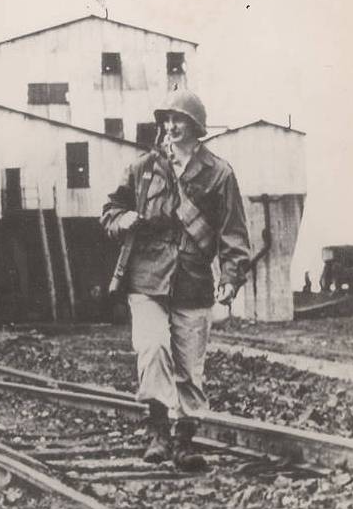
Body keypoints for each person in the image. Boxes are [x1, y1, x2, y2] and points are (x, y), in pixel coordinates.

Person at [101, 89, 250, 471]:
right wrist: (122, 220)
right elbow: (110, 209)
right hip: (147, 279)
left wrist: (231, 278)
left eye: (178, 120)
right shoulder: (145, 168)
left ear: (195, 126)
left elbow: (234, 234)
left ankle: (184, 442)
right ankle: (157, 434)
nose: (170, 126)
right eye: (166, 120)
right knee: (153, 349)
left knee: (190, 367)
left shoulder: (219, 174)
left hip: (193, 281)